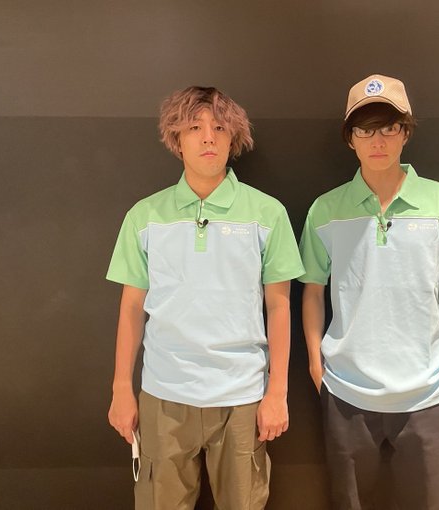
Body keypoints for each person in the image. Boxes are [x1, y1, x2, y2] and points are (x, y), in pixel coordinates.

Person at [299, 74, 439, 510]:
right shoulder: (325, 209)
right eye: (365, 129)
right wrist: (316, 361)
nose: (378, 140)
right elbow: (312, 290)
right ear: (349, 138)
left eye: (389, 127)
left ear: (406, 132)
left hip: (430, 394)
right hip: (347, 391)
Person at [106, 86, 304, 510]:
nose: (208, 137)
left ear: (234, 139)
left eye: (219, 128)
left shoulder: (267, 213)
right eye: (194, 127)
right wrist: (121, 387)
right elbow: (131, 307)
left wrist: (277, 392)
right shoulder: (144, 216)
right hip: (163, 394)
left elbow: (279, 306)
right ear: (177, 140)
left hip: (242, 396)